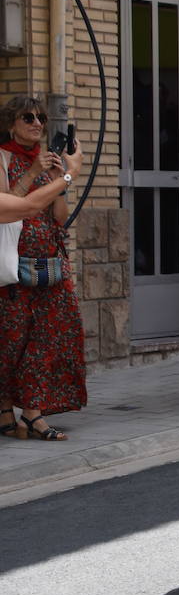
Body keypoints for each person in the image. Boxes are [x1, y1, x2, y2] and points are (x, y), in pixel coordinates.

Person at [0, 98, 87, 442]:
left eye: (41, 118)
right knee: (12, 340)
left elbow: (60, 217)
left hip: (50, 263)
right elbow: (11, 208)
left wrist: (56, 180)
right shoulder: (4, 158)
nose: (37, 123)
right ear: (11, 124)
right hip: (13, 265)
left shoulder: (50, 163)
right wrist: (35, 172)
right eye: (28, 117)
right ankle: (5, 409)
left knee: (49, 336)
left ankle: (33, 411)